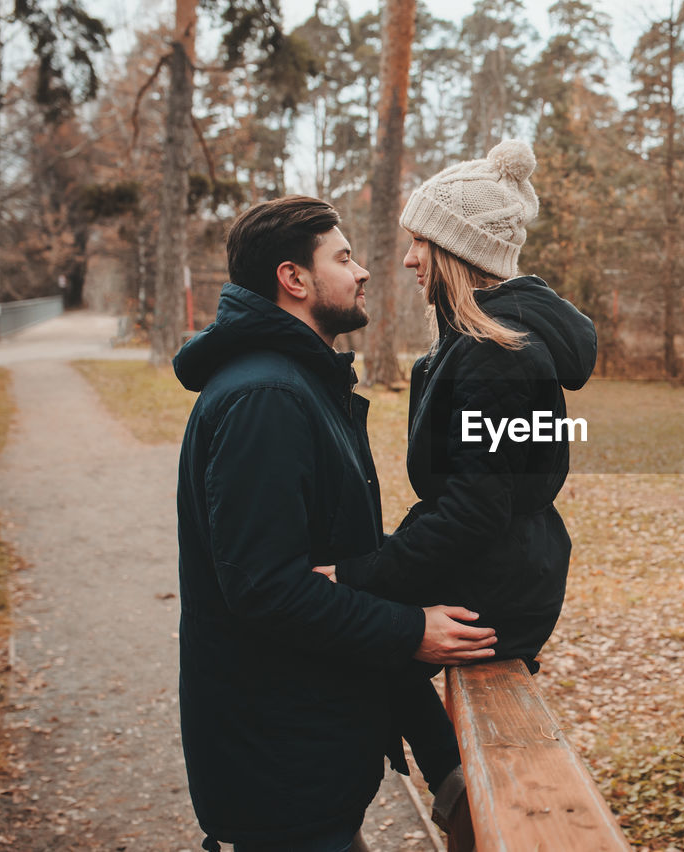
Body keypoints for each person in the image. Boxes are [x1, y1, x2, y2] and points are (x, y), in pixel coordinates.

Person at [173, 196, 497, 852]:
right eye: (344, 258)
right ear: (294, 279)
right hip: (278, 764)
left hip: (304, 748)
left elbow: (333, 553)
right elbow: (267, 589)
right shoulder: (266, 398)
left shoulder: (299, 384)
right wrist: (410, 631)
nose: (364, 271)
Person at [324, 139, 596, 826]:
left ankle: (463, 802)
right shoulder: (485, 346)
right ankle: (456, 791)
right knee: (365, 646)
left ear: (454, 250)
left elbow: (474, 509)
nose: (409, 258)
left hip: (494, 585)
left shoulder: (490, 359)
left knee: (353, 643)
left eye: (421, 242)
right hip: (512, 569)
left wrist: (359, 574)